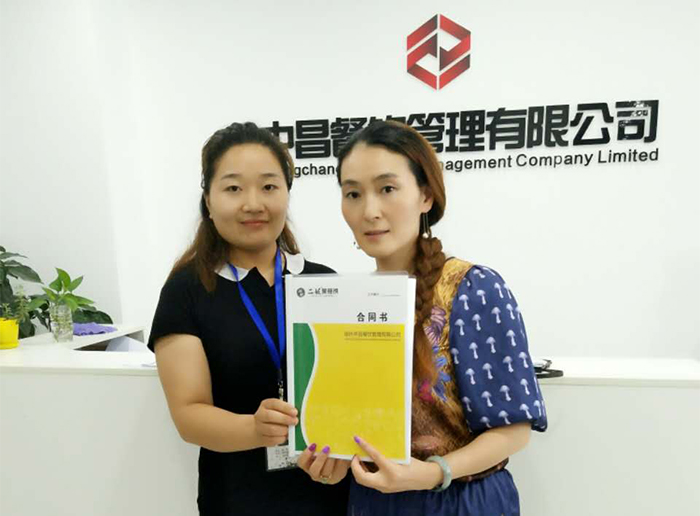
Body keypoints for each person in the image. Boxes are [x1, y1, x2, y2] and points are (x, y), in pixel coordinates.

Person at [298, 120, 547, 516]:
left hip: (461, 502)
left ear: (426, 196)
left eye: (387, 189)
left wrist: (433, 473)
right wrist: (332, 462)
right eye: (353, 194)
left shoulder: (473, 289)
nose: (370, 211)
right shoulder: (348, 303)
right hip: (374, 503)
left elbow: (513, 429)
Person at [148, 122, 349, 516]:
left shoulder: (324, 282)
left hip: (327, 492)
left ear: (287, 194)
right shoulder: (186, 290)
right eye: (234, 188)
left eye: (269, 186)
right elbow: (189, 414)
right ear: (208, 201)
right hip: (238, 496)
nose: (253, 203)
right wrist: (254, 430)